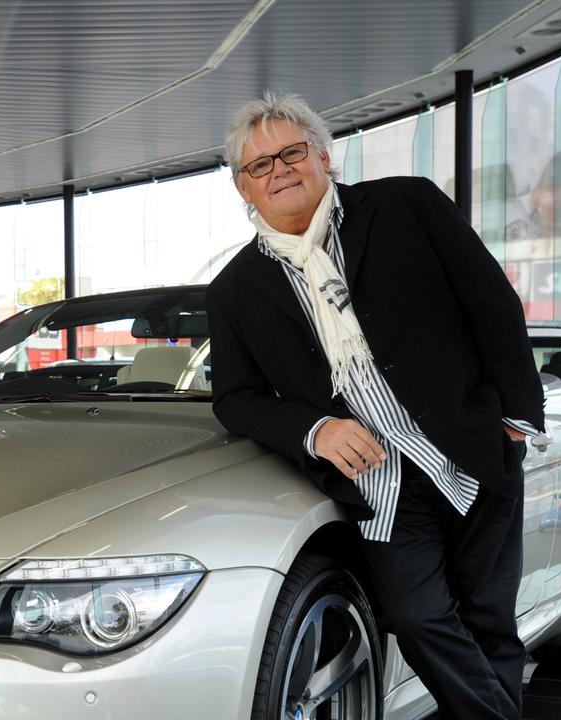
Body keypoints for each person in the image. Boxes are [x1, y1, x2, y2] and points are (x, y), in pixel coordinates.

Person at [206, 92, 544, 719]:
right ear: (242, 189)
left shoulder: (406, 206)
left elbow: (492, 303)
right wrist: (315, 428)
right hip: (379, 480)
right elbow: (236, 398)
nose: (279, 170)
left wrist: (515, 418)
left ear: (324, 158)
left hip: (470, 446)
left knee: (489, 623)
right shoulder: (233, 290)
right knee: (415, 617)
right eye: (260, 166)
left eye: (291, 153)